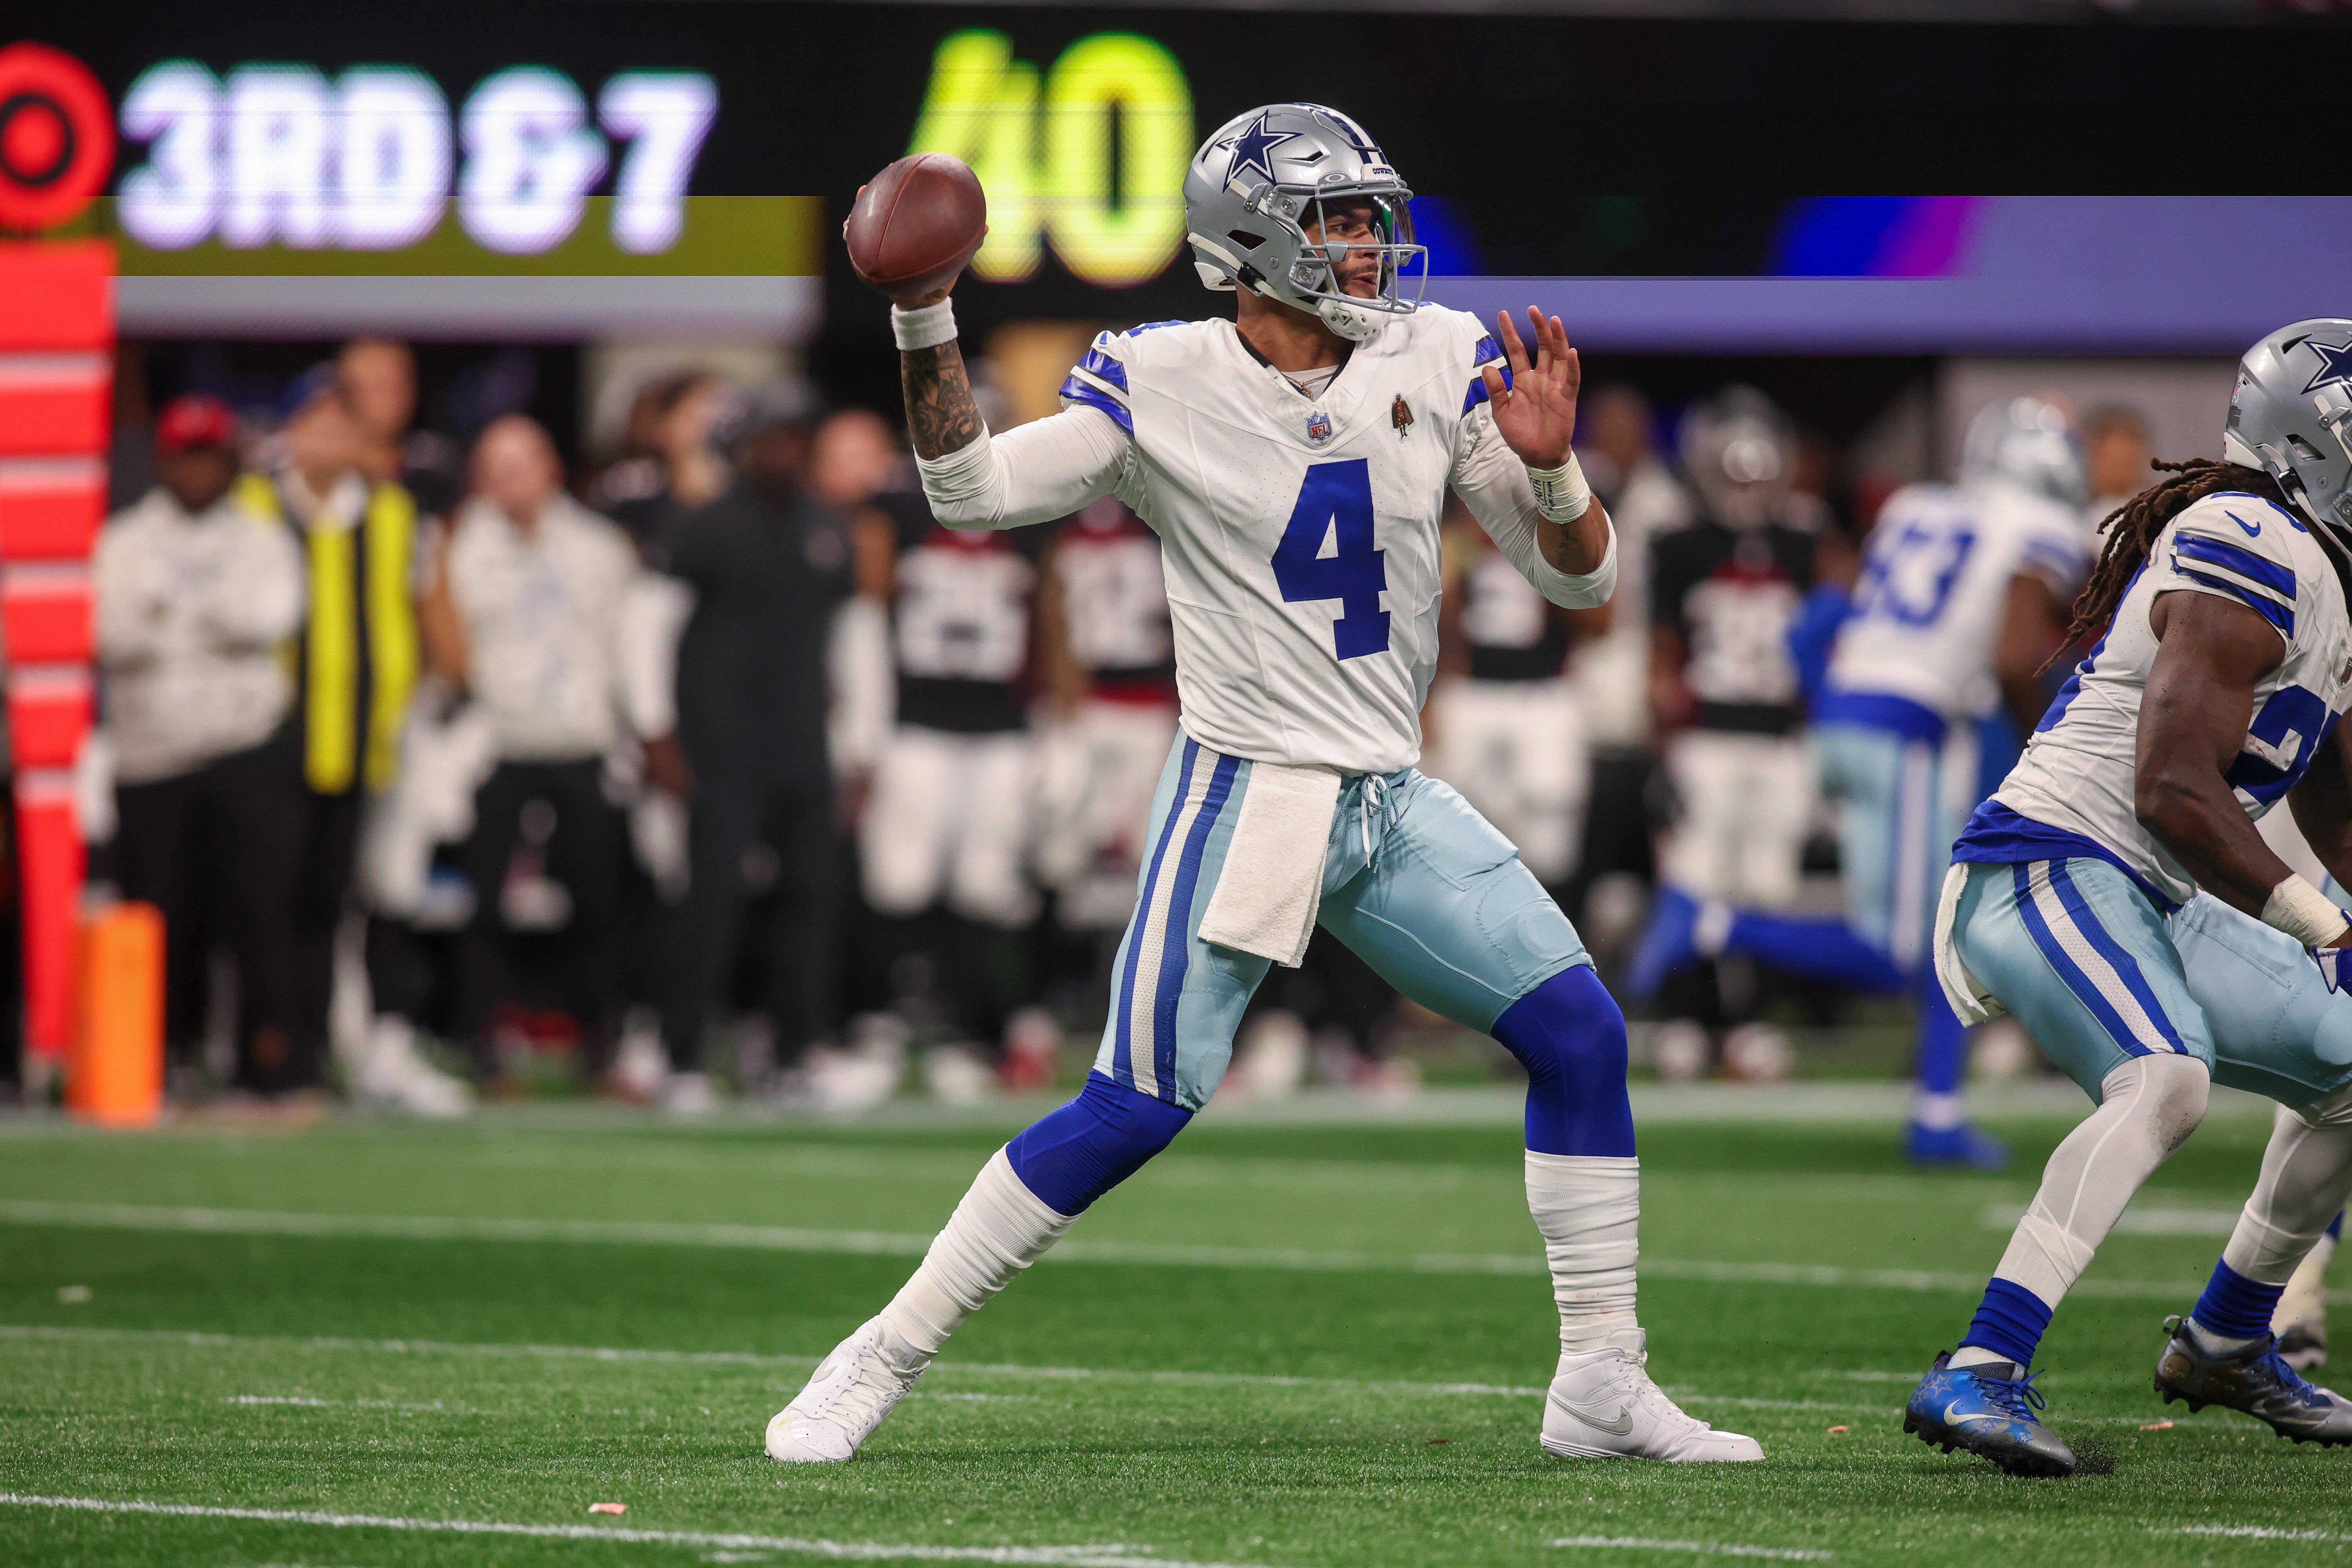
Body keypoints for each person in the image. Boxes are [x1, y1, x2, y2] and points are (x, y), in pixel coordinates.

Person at [766, 102, 1758, 1468]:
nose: (1371, 244)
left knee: (1581, 1036)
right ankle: (876, 1355)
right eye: (1342, 220)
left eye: (1369, 216)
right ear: (1255, 242)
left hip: (1389, 795)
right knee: (1135, 1106)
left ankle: (1602, 1380)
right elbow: (970, 494)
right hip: (1250, 793)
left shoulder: (1439, 351)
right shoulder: (1157, 378)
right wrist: (924, 316)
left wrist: (1552, 465)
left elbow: (1578, 578)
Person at [1906, 320, 2352, 1475]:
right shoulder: (2250, 536)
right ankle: (1982, 1363)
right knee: (2164, 1076)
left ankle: (2223, 1337)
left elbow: (2340, 807)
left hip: (2146, 887)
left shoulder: (2323, 581)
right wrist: (2319, 921)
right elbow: (2164, 786)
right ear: (2306, 445)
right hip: (2045, 856)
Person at [1627, 399, 2092, 1161]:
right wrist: (2046, 738)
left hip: (1846, 712)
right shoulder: (2035, 528)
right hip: (1908, 729)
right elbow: (2013, 654)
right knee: (1916, 947)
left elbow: (1827, 611)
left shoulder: (1919, 506)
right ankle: (1713, 920)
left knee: (1946, 923)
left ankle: (1936, 1113)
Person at [653, 386, 856, 1105]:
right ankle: (680, 1057)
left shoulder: (824, 528)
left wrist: (856, 749)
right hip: (723, 748)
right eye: (772, 439)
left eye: (796, 438)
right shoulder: (705, 526)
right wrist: (659, 735)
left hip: (803, 746)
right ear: (742, 446)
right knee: (711, 902)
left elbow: (850, 641)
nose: (785, 452)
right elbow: (651, 630)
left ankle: (794, 1055)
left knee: (809, 903)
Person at [95, 395, 305, 1088]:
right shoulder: (124, 540)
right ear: (162, 462)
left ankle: (263, 1059)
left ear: (229, 460)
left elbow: (272, 615)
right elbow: (109, 632)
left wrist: (175, 615)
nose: (196, 471)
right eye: (184, 456)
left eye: (208, 456)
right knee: (162, 915)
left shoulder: (260, 535)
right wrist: (207, 620)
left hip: (243, 746)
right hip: (152, 752)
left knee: (256, 914)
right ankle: (164, 1055)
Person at [425, 415, 639, 1076]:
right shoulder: (457, 547)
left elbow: (626, 645)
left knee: (599, 900)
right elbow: (444, 641)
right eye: (494, 468)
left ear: (551, 469)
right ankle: (482, 1038)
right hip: (498, 742)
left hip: (581, 740)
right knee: (483, 903)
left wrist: (633, 736)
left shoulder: (599, 546)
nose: (508, 481)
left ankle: (599, 1039)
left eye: (520, 465)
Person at [234, 370, 422, 1094]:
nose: (331, 441)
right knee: (262, 905)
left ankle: (311, 1054)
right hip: (269, 737)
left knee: (329, 905)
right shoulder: (252, 506)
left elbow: (412, 609)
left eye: (344, 427)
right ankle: (261, 1052)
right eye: (317, 425)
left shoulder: (388, 512)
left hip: (358, 739)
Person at [1628, 388, 1818, 1066]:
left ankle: (1747, 1022)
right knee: (1694, 880)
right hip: (1705, 735)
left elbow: (1826, 645)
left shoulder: (1804, 541)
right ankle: (1687, 1017)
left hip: (1777, 739)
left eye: (1757, 473)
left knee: (1765, 888)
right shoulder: (1680, 543)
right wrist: (1662, 746)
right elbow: (1663, 653)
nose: (1746, 487)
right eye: (1734, 472)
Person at [1425, 493, 1604, 891]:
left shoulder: (1558, 508)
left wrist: (1556, 560)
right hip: (1467, 694)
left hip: (1543, 697)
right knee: (1451, 842)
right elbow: (1435, 619)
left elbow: (1600, 619)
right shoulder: (1456, 518)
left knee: (1548, 849)